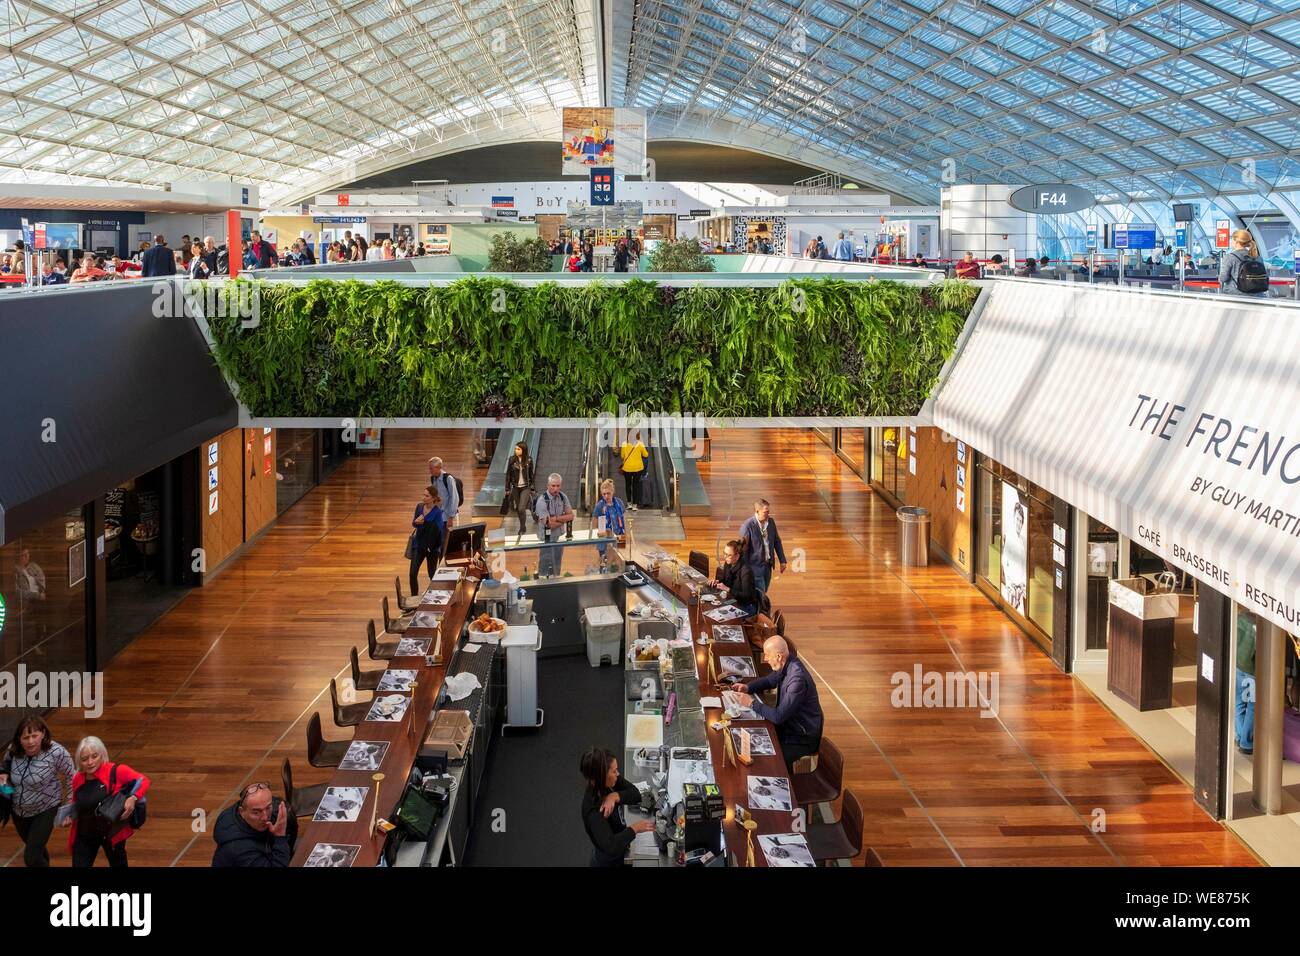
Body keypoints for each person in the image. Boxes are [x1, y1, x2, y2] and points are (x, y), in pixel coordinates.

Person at [730, 636, 824, 771]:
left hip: (800, 738)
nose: (765, 659)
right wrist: (748, 687)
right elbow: (770, 680)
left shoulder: (797, 680)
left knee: (766, 765)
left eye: (767, 655)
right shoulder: (786, 662)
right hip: (788, 726)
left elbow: (778, 717)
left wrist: (751, 703)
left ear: (779, 656)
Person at [0, 716, 76, 867]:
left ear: (43, 734)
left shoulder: (56, 752)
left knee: (31, 857)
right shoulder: (13, 750)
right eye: (25, 737)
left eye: (34, 736)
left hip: (46, 809)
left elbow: (71, 776)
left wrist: (68, 807)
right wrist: (2, 775)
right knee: (36, 850)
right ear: (19, 739)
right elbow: (4, 766)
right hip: (19, 812)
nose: (30, 742)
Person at [66, 736, 149, 867]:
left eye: (94, 756)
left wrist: (133, 798)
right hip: (85, 834)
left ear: (102, 755)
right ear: (79, 761)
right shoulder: (77, 778)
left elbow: (142, 780)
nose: (90, 762)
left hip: (111, 833)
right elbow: (77, 803)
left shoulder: (116, 771)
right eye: (84, 759)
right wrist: (70, 816)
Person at [579, 747, 652, 867]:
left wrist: (615, 795)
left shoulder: (610, 782)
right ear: (601, 776)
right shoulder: (593, 811)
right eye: (614, 771)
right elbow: (611, 846)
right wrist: (635, 828)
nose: (617, 774)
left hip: (621, 847)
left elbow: (636, 794)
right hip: (609, 860)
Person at [212, 781, 298, 866]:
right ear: (242, 812)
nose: (265, 817)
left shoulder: (249, 808)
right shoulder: (239, 849)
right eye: (256, 812)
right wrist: (280, 837)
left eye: (268, 808)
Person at [739, 498, 786, 593]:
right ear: (757, 511)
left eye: (769, 511)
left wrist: (782, 560)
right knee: (760, 594)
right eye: (766, 512)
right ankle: (761, 608)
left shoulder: (771, 522)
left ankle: (760, 607)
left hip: (768, 566)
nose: (768, 514)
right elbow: (743, 551)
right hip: (754, 568)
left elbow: (777, 541)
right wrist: (745, 571)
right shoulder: (747, 526)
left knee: (764, 592)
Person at [535, 472, 575, 577]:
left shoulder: (563, 497)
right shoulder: (542, 500)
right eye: (553, 486)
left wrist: (556, 518)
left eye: (558, 486)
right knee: (545, 565)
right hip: (546, 539)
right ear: (548, 485)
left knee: (556, 565)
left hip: (559, 538)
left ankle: (555, 581)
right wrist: (563, 519)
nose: (556, 488)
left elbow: (571, 516)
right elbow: (549, 525)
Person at [409, 485, 445, 596]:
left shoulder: (438, 512)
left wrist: (423, 523)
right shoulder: (419, 507)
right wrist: (416, 522)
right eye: (423, 495)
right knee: (412, 573)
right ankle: (414, 598)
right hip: (419, 544)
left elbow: (438, 531)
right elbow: (414, 523)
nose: (423, 498)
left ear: (433, 498)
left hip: (432, 548)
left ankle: (436, 596)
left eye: (427, 496)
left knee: (432, 574)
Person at [710, 539, 759, 617]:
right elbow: (726, 580)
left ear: (737, 556)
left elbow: (746, 596)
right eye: (724, 553)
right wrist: (718, 582)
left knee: (720, 615)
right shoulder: (728, 563)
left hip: (746, 606)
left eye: (728, 555)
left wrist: (728, 589)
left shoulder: (746, 571)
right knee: (713, 608)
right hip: (734, 600)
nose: (725, 557)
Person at [1219, 229, 1269, 297]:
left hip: (1235, 296)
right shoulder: (1258, 257)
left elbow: (1223, 278)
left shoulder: (1230, 257)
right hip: (1258, 295)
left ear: (1236, 242)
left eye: (1232, 239)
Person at [1235, 612, 1256, 755]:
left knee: (1239, 703)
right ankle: (1246, 743)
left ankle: (1239, 736)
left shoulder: (1241, 617)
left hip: (1238, 667)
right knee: (1252, 707)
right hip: (1252, 671)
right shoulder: (1262, 624)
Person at [591, 479, 626, 563]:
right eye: (604, 494)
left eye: (608, 493)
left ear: (612, 492)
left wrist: (625, 535)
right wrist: (597, 538)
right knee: (605, 564)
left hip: (618, 539)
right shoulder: (599, 506)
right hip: (604, 541)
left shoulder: (619, 502)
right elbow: (594, 524)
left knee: (618, 564)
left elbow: (623, 520)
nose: (606, 496)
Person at [504, 441, 535, 535]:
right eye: (515, 449)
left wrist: (533, 487)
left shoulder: (529, 460)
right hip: (515, 487)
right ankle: (523, 526)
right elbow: (508, 475)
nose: (516, 450)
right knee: (518, 509)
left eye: (518, 449)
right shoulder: (512, 460)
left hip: (525, 487)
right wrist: (507, 488)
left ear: (523, 450)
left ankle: (522, 528)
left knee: (521, 508)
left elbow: (531, 475)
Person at [427, 456, 460, 529]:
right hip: (437, 515)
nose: (430, 471)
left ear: (438, 468)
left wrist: (450, 518)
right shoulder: (433, 478)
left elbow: (454, 498)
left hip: (446, 517)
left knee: (445, 538)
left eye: (431, 469)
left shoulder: (448, 479)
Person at [619, 435, 648, 511]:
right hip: (638, 468)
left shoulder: (624, 444)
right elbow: (646, 455)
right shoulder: (640, 444)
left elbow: (622, 456)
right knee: (636, 485)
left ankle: (629, 504)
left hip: (627, 468)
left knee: (628, 485)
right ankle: (635, 505)